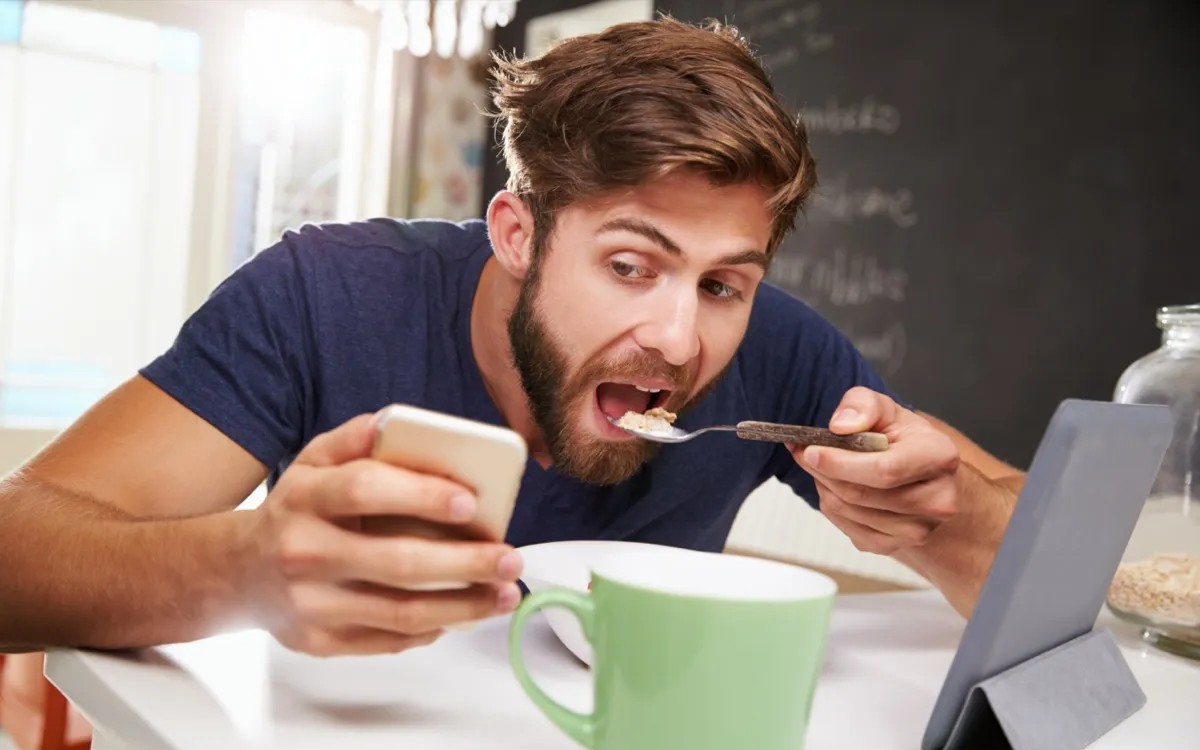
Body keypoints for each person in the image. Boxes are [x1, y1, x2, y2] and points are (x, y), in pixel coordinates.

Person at [0, 17, 1023, 656]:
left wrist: (957, 515)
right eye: (630, 265)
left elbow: (1039, 539)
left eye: (722, 282)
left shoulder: (778, 351)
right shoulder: (327, 294)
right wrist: (248, 569)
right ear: (518, 232)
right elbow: (16, 552)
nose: (677, 336)